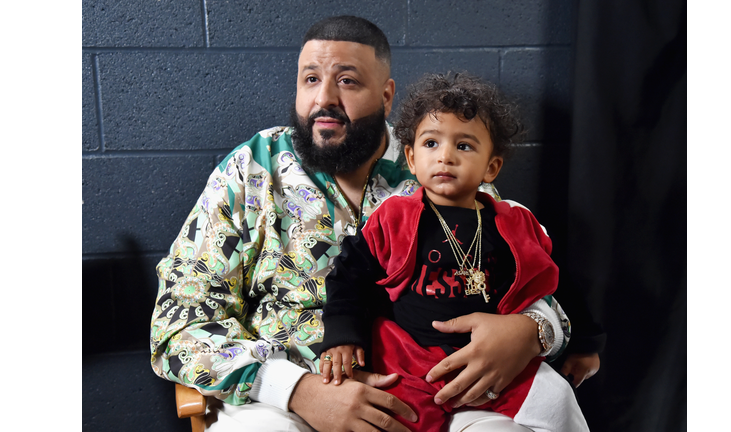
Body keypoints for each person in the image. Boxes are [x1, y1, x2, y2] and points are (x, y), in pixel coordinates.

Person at [150, 15, 589, 432]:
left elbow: (533, 276)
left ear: (385, 95)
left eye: (346, 80)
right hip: (284, 400)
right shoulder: (253, 171)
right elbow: (178, 323)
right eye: (310, 79)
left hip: (442, 391)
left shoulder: (438, 162)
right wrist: (295, 391)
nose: (324, 99)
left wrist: (533, 330)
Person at [319, 73, 589, 431]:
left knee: (557, 397)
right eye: (432, 144)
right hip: (409, 359)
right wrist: (342, 334)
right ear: (412, 159)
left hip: (491, 360)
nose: (445, 156)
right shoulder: (392, 218)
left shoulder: (514, 222)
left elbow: (553, 281)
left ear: (491, 167)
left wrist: (585, 343)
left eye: (464, 146)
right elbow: (348, 277)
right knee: (393, 421)